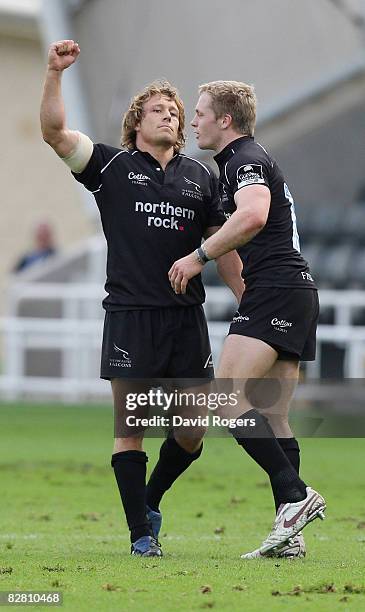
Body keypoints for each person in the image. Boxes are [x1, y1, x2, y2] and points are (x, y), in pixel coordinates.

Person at [40, 43, 244, 558]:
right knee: (130, 429)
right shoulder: (109, 165)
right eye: (159, 109)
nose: (171, 115)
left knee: (193, 431)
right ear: (136, 123)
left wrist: (249, 300)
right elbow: (54, 133)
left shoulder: (204, 177)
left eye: (176, 111)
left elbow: (223, 249)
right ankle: (140, 536)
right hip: (131, 316)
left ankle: (149, 499)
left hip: (185, 318)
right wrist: (53, 74)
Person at [169, 80, 326, 559]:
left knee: (225, 398)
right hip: (295, 293)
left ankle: (296, 495)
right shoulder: (238, 162)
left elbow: (254, 216)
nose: (192, 121)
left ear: (225, 120)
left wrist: (198, 256)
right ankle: (289, 537)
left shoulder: (246, 159)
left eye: (199, 113)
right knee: (275, 416)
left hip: (277, 292)